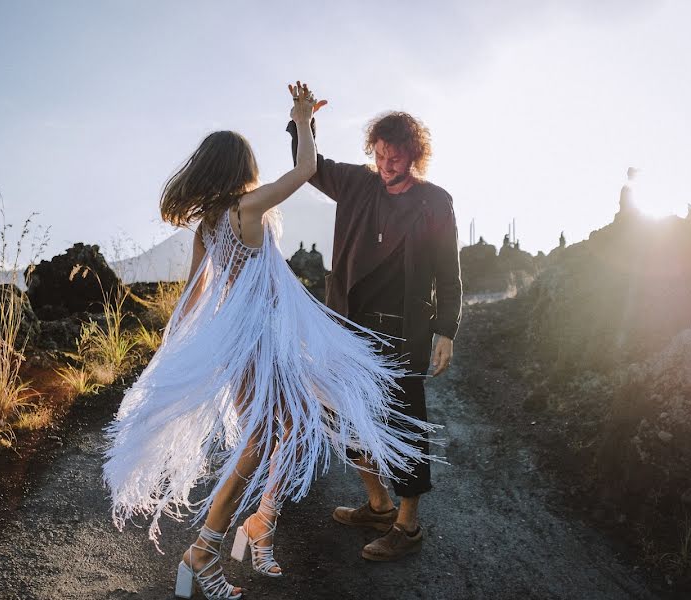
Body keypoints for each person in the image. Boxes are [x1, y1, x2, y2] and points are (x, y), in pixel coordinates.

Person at [101, 82, 437, 600]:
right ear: (240, 169)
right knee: (263, 441)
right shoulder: (246, 209)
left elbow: (193, 294)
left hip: (246, 343)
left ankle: (260, 524)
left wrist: (176, 344)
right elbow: (306, 171)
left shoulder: (210, 223)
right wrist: (302, 119)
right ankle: (204, 552)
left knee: (294, 429)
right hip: (261, 342)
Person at [286, 95, 462, 561]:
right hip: (347, 329)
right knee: (341, 419)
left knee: (403, 427)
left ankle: (407, 527)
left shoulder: (435, 203)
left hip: (403, 333)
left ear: (414, 154)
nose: (386, 164)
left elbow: (449, 273)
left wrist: (446, 330)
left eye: (396, 156)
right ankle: (378, 505)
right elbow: (310, 165)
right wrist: (301, 122)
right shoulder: (356, 183)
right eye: (380, 154)